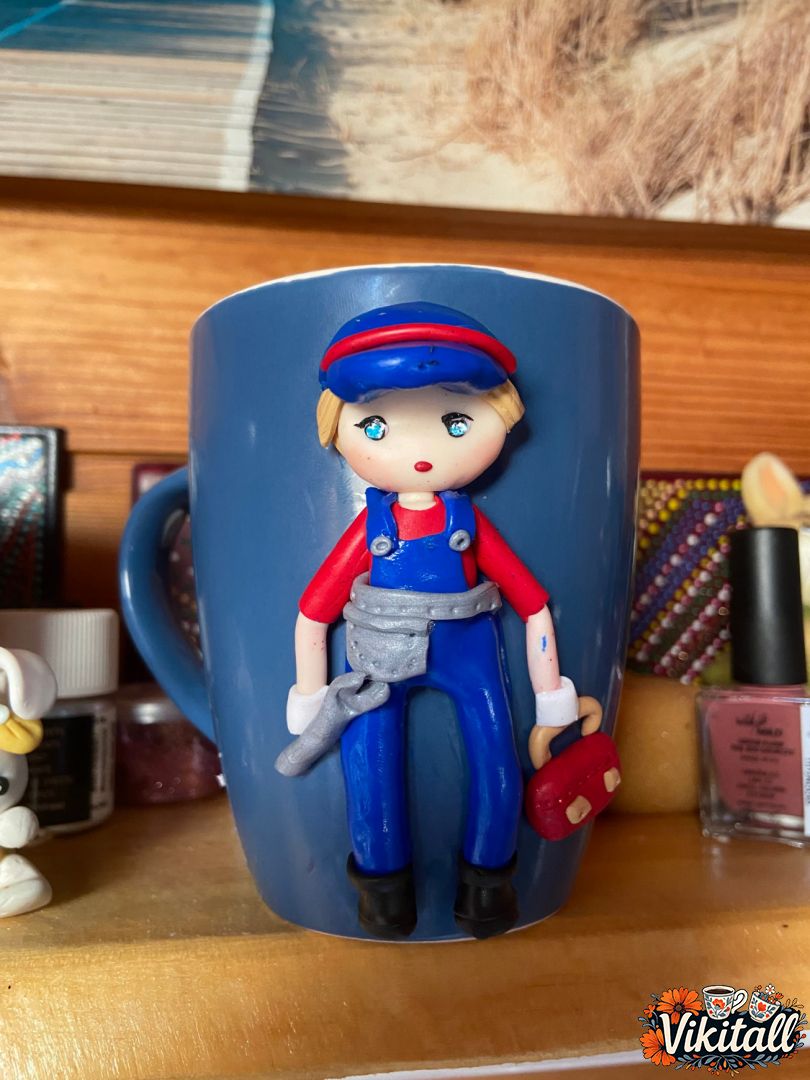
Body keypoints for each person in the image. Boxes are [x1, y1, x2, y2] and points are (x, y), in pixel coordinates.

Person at [282, 301, 609, 940]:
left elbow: (532, 604)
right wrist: (313, 697)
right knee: (368, 758)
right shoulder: (372, 527)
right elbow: (313, 612)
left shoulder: (468, 522)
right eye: (375, 426)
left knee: (495, 752)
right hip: (378, 653)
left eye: (456, 422)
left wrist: (551, 699)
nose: (419, 451)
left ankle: (488, 882)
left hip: (470, 644)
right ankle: (382, 889)